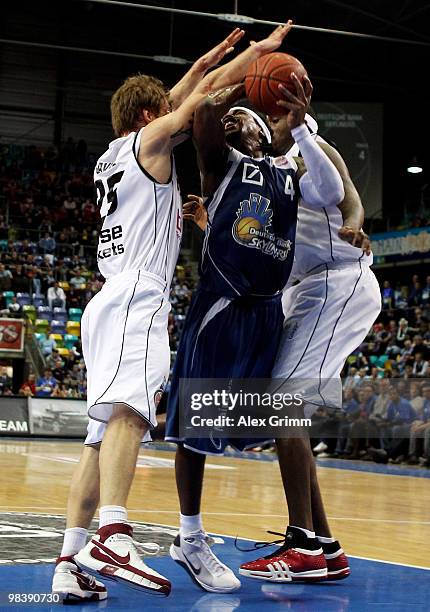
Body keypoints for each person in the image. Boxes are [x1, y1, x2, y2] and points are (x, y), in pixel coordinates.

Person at [52, 22, 295, 602]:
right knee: (133, 416)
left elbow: (189, 85)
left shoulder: (114, 156)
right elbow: (201, 94)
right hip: (136, 295)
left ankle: (68, 561)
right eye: (164, 109)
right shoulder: (148, 144)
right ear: (147, 117)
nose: (176, 112)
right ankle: (112, 532)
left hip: (108, 297)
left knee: (99, 438)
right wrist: (254, 57)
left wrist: (210, 54)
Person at [165, 72, 345, 588]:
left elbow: (334, 193)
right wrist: (244, 82)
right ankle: (191, 535)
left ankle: (318, 542)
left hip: (268, 315)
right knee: (194, 427)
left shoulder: (290, 175)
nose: (234, 123)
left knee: (272, 425)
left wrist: (299, 127)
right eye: (230, 122)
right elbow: (202, 122)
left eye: (244, 120)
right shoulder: (223, 165)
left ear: (265, 134)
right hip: (223, 310)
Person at [239, 102, 381, 582]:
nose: (269, 123)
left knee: (284, 404)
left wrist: (299, 129)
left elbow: (332, 188)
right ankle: (324, 544)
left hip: (337, 284)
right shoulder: (275, 170)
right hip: (310, 291)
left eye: (277, 117)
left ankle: (301, 546)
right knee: (284, 407)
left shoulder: (310, 153)